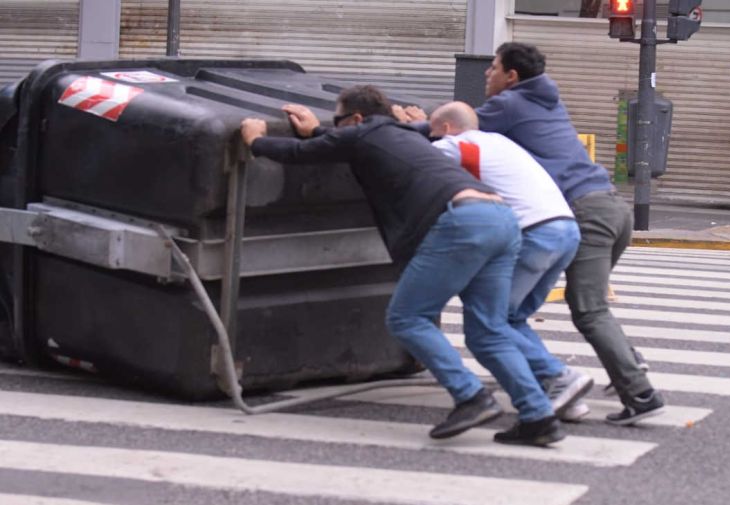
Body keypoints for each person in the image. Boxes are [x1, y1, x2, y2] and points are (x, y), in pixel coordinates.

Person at [241, 85, 574, 446]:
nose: (339, 129)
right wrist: (321, 131)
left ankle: (470, 396)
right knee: (488, 330)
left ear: (354, 119)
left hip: (461, 222)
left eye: (340, 122)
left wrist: (256, 141)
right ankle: (539, 417)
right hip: (500, 218)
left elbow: (298, 152)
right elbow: (346, 144)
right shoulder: (401, 133)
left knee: (407, 317)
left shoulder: (363, 133)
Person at [474, 42, 664, 426]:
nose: (486, 74)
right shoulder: (546, 101)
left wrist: (399, 120)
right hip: (611, 207)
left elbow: (453, 130)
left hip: (584, 211)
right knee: (590, 304)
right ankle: (629, 363)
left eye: (493, 68)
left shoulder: (507, 105)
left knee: (587, 308)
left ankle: (640, 393)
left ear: (511, 76)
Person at [423, 101, 594, 420]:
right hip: (565, 230)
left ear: (446, 129)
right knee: (512, 319)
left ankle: (560, 376)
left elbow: (416, 160)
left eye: (434, 132)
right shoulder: (500, 142)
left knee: (490, 323)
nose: (434, 139)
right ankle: (564, 394)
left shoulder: (456, 144)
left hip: (532, 233)